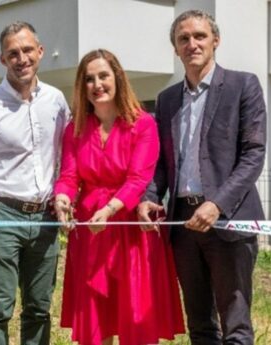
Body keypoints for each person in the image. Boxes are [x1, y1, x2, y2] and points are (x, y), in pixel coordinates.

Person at [138, 10, 267, 345]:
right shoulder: (167, 99)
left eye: (199, 36)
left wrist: (217, 205)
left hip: (228, 223)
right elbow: (163, 163)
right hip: (183, 226)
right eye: (183, 38)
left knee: (236, 326)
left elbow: (253, 154)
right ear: (175, 49)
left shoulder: (243, 85)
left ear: (215, 41)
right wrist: (149, 198)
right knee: (200, 326)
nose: (191, 44)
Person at [53, 49, 184, 345]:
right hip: (91, 234)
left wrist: (111, 209)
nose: (97, 84)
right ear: (81, 86)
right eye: (89, 79)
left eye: (103, 76)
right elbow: (69, 177)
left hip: (131, 232)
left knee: (135, 321)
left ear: (118, 79)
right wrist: (62, 198)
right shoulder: (74, 128)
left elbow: (139, 179)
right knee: (95, 324)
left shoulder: (143, 124)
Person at [0, 21, 70, 345]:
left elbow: (68, 156)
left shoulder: (56, 100)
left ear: (39, 52)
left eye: (27, 50)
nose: (21, 58)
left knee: (39, 307)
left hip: (44, 219)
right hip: (1, 216)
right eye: (13, 53)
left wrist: (65, 196)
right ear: (3, 59)